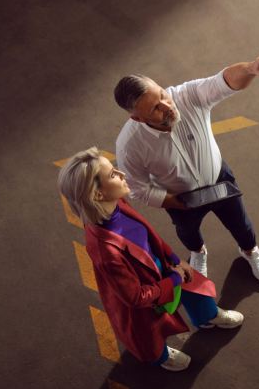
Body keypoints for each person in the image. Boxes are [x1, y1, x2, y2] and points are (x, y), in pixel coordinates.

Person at [58, 147, 245, 372]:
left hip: (162, 269)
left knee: (196, 289)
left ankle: (208, 316)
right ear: (98, 194)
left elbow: (149, 235)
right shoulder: (106, 251)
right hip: (146, 292)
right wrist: (173, 280)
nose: (122, 174)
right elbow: (136, 297)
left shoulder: (116, 204)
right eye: (113, 175)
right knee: (150, 335)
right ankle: (162, 357)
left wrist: (175, 259)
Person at [113, 56, 259, 283]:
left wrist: (249, 69)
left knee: (241, 223)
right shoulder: (129, 146)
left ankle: (249, 251)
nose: (167, 107)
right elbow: (137, 188)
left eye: (162, 95)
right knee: (188, 233)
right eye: (155, 109)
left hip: (219, 178)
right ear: (137, 118)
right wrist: (173, 202)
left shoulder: (186, 96)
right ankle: (198, 252)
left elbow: (222, 82)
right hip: (180, 198)